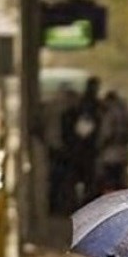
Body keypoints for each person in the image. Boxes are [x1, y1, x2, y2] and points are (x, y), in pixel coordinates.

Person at [61, 76, 102, 207]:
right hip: (87, 149)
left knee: (78, 178)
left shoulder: (80, 104)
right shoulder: (95, 106)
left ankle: (77, 203)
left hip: (79, 148)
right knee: (86, 178)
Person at [43, 86, 80, 214]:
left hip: (52, 148)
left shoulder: (50, 106)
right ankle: (65, 205)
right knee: (65, 179)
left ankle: (55, 206)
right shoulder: (69, 111)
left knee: (55, 179)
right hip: (62, 148)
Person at [96, 91, 128, 194]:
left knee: (109, 182)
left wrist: (98, 145)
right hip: (123, 154)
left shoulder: (109, 113)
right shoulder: (125, 113)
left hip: (109, 155)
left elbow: (106, 133)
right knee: (121, 181)